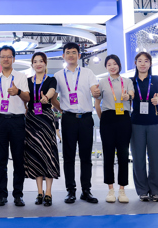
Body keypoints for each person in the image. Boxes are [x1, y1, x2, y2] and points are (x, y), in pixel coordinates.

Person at [54, 42, 100, 204]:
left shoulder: (88, 73)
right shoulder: (58, 75)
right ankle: (71, 191)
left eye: (74, 52)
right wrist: (62, 109)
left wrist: (96, 92)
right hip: (68, 119)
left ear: (79, 55)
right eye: (68, 52)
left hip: (86, 118)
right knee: (68, 156)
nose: (71, 55)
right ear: (63, 56)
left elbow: (94, 90)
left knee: (86, 156)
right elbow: (53, 97)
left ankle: (86, 190)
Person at [0, 45, 29, 207]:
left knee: (18, 159)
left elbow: (28, 98)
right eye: (3, 56)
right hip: (0, 120)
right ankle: (2, 195)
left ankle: (18, 195)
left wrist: (18, 92)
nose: (6, 59)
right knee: (1, 160)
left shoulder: (21, 77)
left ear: (13, 58)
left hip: (17, 121)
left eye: (9, 56)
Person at [95, 54, 134, 204]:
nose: (112, 67)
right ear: (106, 67)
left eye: (114, 64)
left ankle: (122, 190)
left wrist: (128, 97)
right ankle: (110, 189)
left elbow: (132, 95)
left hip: (124, 118)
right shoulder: (102, 82)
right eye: (109, 64)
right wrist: (103, 119)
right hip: (107, 119)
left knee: (123, 154)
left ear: (119, 65)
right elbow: (97, 104)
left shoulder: (127, 81)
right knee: (108, 154)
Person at [24, 52, 60, 207]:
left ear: (45, 63)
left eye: (41, 61)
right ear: (32, 64)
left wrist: (46, 97)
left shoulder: (51, 79)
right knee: (36, 154)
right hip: (31, 119)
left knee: (48, 153)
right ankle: (39, 192)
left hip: (46, 118)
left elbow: (51, 91)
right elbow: (25, 98)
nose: (38, 64)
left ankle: (49, 192)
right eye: (35, 61)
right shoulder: (27, 81)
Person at [130, 52, 158, 202]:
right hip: (136, 124)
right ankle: (142, 191)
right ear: (135, 63)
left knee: (155, 158)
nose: (143, 64)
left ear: (150, 64)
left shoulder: (156, 79)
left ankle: (155, 191)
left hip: (155, 122)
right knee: (138, 159)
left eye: (146, 61)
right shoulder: (131, 81)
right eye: (140, 61)